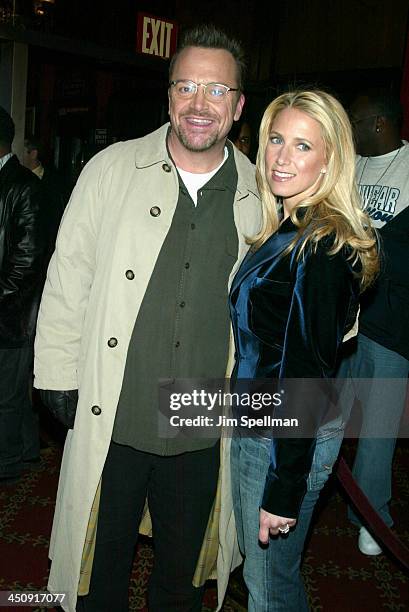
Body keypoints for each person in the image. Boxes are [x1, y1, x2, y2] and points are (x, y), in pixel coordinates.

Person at [34, 24, 261, 612]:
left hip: (202, 429)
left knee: (180, 583)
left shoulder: (264, 192)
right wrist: (57, 373)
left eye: (216, 91)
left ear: (238, 106)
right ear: (168, 96)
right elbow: (68, 277)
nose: (199, 104)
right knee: (96, 574)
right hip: (116, 415)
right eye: (185, 86)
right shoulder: (111, 169)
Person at [229, 90, 379, 611]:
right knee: (270, 578)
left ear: (330, 160)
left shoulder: (321, 246)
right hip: (267, 422)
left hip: (282, 435)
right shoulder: (292, 228)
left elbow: (306, 377)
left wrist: (283, 486)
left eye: (302, 146)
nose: (281, 157)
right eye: (275, 140)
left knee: (269, 590)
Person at [338, 89, 409, 555]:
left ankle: (373, 519)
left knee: (379, 431)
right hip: (346, 321)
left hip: (390, 324)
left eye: (358, 123)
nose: (353, 132)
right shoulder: (357, 166)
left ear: (380, 124)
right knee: (328, 415)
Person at [0, 107, 45, 484]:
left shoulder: (24, 186)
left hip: (14, 313)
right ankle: (27, 449)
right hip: (7, 308)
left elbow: (27, 259)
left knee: (7, 396)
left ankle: (8, 464)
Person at [23, 134, 67, 254]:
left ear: (33, 154)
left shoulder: (54, 181)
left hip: (46, 248)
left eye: (22, 151)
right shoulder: (18, 180)